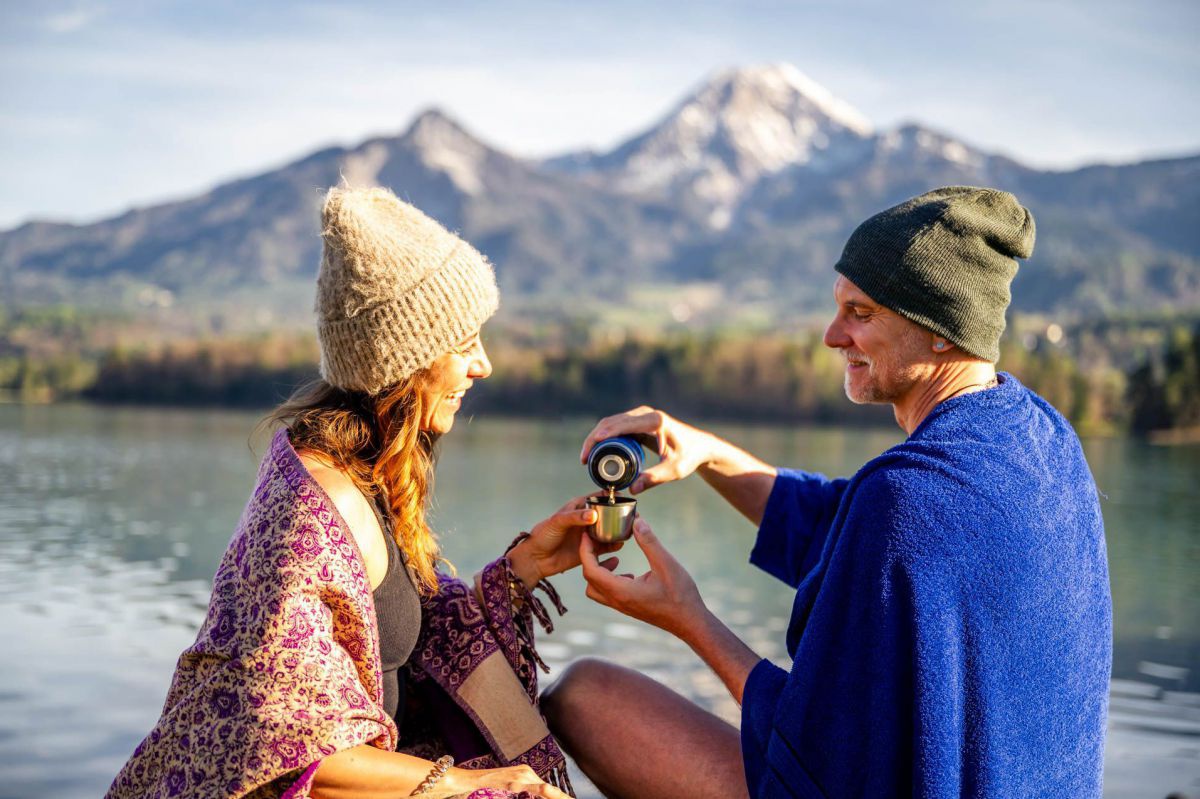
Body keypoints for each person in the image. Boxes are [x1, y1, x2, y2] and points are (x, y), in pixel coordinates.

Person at [546, 187, 1112, 798]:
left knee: (583, 697)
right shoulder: (1037, 436)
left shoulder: (908, 496)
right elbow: (849, 539)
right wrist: (710, 452)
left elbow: (821, 762)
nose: (831, 336)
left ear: (942, 329)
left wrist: (689, 618)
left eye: (861, 313)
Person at [107, 187, 616, 799]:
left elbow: (406, 638)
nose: (483, 365)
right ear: (405, 361)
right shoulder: (318, 511)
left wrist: (526, 566)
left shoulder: (370, 473)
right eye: (463, 345)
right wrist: (472, 786)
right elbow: (287, 752)